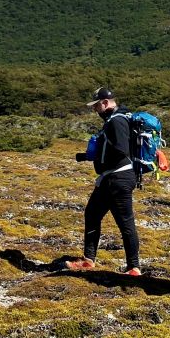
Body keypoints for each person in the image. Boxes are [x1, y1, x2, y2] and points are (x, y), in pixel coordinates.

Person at [67, 87, 142, 276]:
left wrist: (98, 158)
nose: (95, 110)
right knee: (92, 214)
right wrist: (87, 156)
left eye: (96, 106)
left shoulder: (116, 121)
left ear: (105, 103)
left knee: (125, 222)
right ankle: (88, 260)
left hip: (118, 178)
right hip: (113, 177)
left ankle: (134, 268)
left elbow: (120, 149)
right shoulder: (118, 118)